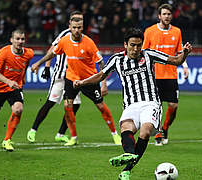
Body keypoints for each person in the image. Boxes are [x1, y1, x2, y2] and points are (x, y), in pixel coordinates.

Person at [73, 28, 192, 180]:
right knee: (125, 128)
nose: (135, 49)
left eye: (138, 45)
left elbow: (176, 61)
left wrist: (185, 53)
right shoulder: (117, 60)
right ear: (125, 44)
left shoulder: (149, 54)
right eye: (132, 45)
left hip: (151, 103)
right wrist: (82, 82)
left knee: (145, 131)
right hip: (130, 105)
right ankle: (127, 164)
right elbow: (101, 75)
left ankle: (128, 164)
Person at [31, 11, 121, 146]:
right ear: (70, 26)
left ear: (82, 27)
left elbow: (102, 63)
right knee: (68, 106)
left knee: (101, 106)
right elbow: (52, 54)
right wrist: (39, 63)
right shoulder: (64, 40)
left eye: (79, 27)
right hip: (71, 79)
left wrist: (103, 83)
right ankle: (73, 136)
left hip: (89, 80)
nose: (76, 30)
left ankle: (115, 134)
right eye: (74, 27)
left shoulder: (89, 43)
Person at [27, 11, 84, 144]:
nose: (77, 23)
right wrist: (47, 67)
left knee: (74, 105)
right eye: (75, 21)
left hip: (74, 77)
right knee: (50, 102)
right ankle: (33, 130)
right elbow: (52, 50)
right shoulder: (64, 34)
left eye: (80, 20)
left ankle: (60, 133)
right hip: (61, 75)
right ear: (70, 23)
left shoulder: (83, 38)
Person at [142, 4, 189, 146]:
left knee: (173, 106)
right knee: (157, 107)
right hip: (154, 75)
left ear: (171, 16)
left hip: (171, 74)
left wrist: (185, 66)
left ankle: (165, 128)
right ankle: (157, 134)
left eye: (169, 14)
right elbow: (144, 52)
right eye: (164, 14)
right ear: (159, 16)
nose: (167, 16)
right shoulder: (150, 31)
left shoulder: (177, 32)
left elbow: (180, 51)